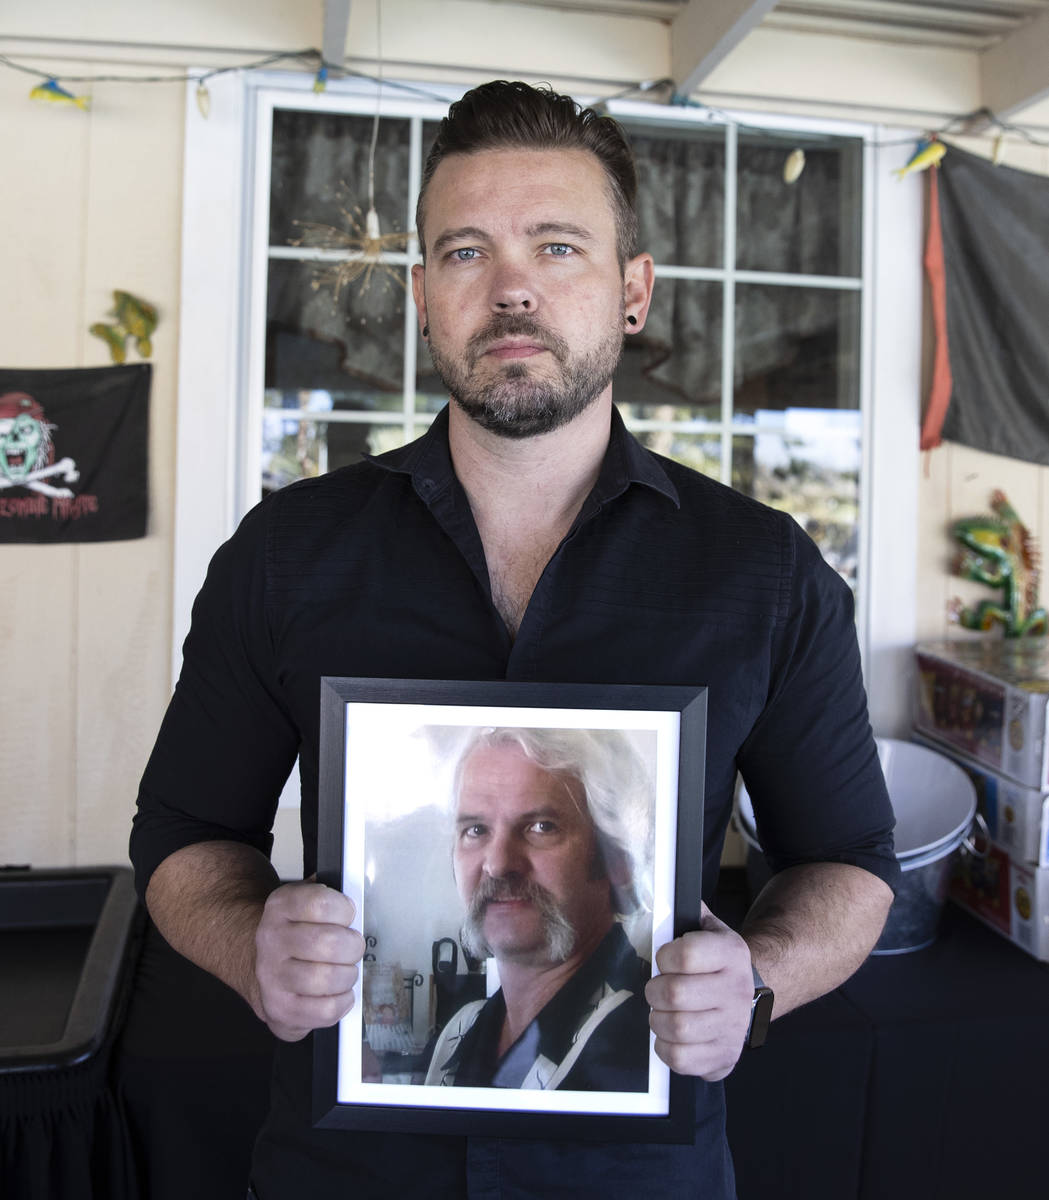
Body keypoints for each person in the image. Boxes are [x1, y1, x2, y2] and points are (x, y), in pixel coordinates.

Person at [131, 80, 898, 1198]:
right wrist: (248, 940)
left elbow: (849, 868)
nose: (511, 289)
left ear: (632, 292)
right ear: (419, 297)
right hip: (341, 1171)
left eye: (556, 246)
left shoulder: (763, 574)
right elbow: (184, 835)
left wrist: (760, 977)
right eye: (463, 254)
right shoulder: (286, 554)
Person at [425, 727, 654, 1091]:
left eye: (541, 827)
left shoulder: (646, 1036)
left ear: (620, 859)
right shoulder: (460, 1031)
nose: (498, 865)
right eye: (476, 829)